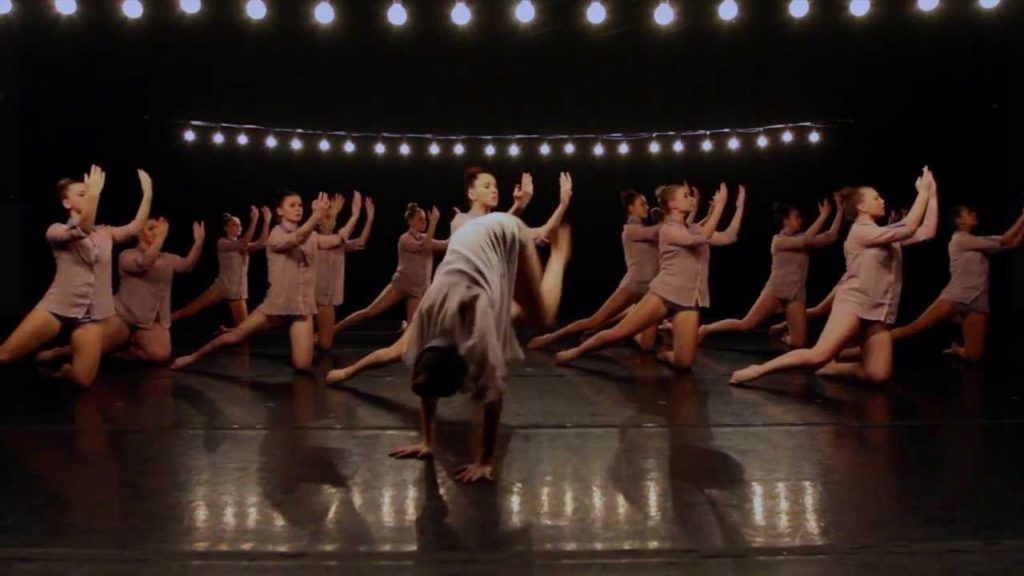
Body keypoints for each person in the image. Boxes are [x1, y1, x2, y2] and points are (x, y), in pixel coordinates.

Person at [366, 213, 572, 482]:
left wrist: (485, 461)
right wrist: (427, 442)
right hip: (471, 248)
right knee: (509, 312)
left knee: (542, 317)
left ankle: (559, 254)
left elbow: (494, 397)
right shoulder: (426, 321)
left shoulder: (479, 333)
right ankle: (517, 292)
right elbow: (427, 383)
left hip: (507, 232)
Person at [323, 170, 575, 384]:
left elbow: (539, 233)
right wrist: (519, 206)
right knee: (395, 352)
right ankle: (348, 371)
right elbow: (494, 231)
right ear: (471, 193)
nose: (494, 190)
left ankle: (481, 398)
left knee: (525, 322)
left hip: (480, 302)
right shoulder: (460, 221)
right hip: (446, 300)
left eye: (496, 186)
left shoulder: (502, 221)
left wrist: (562, 204)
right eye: (487, 186)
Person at [730, 167, 939, 385]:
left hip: (880, 309)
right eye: (876, 198)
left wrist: (932, 195)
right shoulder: (861, 230)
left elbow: (926, 231)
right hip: (854, 303)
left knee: (878, 375)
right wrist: (922, 192)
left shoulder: (882, 233)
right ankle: (758, 370)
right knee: (818, 354)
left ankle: (834, 368)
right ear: (862, 206)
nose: (882, 200)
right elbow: (911, 226)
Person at [554, 182, 745, 370]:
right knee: (617, 334)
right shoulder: (668, 229)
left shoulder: (694, 228)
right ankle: (576, 352)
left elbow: (729, 236)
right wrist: (719, 207)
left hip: (689, 299)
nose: (691, 199)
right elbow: (701, 237)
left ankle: (664, 354)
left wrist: (739, 207)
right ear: (673, 205)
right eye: (685, 196)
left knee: (685, 363)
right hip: (664, 294)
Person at [0, 166, 152, 387]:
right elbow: (82, 229)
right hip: (57, 307)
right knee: (5, 355)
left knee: (82, 380)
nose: (89, 195)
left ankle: (59, 368)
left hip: (91, 315)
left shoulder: (105, 233)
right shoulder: (56, 230)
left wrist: (148, 194)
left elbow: (135, 227)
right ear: (66, 203)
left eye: (89, 192)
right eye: (82, 194)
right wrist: (95, 194)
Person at [171, 192, 355, 371]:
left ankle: (295, 353)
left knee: (303, 365)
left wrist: (354, 215)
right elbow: (295, 239)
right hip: (276, 306)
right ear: (280, 211)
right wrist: (316, 217)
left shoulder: (311, 236)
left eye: (300, 205)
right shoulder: (276, 234)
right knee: (236, 336)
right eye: (292, 205)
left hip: (302, 309)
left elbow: (338, 239)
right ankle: (191, 358)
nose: (298, 208)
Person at [38, 218, 205, 364]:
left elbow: (187, 265)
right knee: (92, 350)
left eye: (157, 229)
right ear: (140, 234)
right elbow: (144, 263)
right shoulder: (127, 255)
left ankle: (130, 347)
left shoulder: (166, 258)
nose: (156, 232)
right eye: (151, 228)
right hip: (124, 316)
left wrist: (198, 242)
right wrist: (161, 237)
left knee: (161, 355)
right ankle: (59, 353)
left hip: (149, 322)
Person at [698, 194, 843, 347]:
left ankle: (784, 332)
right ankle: (706, 328)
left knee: (799, 343)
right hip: (777, 290)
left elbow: (831, 236)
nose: (800, 219)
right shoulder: (779, 241)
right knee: (746, 324)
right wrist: (823, 216)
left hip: (796, 294)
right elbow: (804, 241)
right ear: (785, 220)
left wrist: (839, 210)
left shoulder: (802, 238)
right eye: (796, 217)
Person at [527, 188, 661, 351]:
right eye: (643, 204)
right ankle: (550, 338)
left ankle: (630, 317)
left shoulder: (647, 230)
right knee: (594, 321)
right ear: (631, 208)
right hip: (633, 285)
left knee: (647, 345)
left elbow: (676, 232)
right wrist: (666, 215)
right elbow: (660, 230)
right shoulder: (631, 230)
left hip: (650, 290)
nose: (647, 207)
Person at [888, 205, 1024, 361]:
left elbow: (1013, 243)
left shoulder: (979, 241)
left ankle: (956, 350)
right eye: (968, 213)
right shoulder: (960, 239)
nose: (973, 214)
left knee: (974, 355)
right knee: (912, 329)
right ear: (959, 220)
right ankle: (869, 347)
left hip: (978, 302)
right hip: (955, 297)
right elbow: (1007, 239)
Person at [333, 203, 443, 336]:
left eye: (426, 219)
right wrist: (433, 223)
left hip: (416, 290)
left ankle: (406, 325)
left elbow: (446, 244)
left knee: (411, 333)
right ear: (410, 221)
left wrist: (461, 224)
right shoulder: (405, 239)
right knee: (370, 311)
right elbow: (424, 246)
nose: (424, 222)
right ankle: (334, 329)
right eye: (421, 219)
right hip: (401, 285)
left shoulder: (426, 238)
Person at [172, 205, 271, 327]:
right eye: (235, 224)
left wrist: (267, 220)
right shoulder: (222, 242)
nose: (239, 227)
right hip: (222, 287)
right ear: (226, 228)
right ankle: (163, 324)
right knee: (189, 311)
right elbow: (243, 242)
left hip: (236, 292)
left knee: (243, 330)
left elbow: (262, 243)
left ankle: (226, 334)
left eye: (239, 224)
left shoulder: (244, 245)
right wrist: (254, 220)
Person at [316, 197, 375, 351]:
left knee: (325, 344)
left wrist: (369, 218)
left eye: (333, 217)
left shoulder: (338, 244)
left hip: (329, 301)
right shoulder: (314, 239)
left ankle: (307, 343)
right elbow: (340, 237)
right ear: (318, 222)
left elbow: (360, 242)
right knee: (323, 342)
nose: (332, 220)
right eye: (328, 217)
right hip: (315, 299)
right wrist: (354, 215)